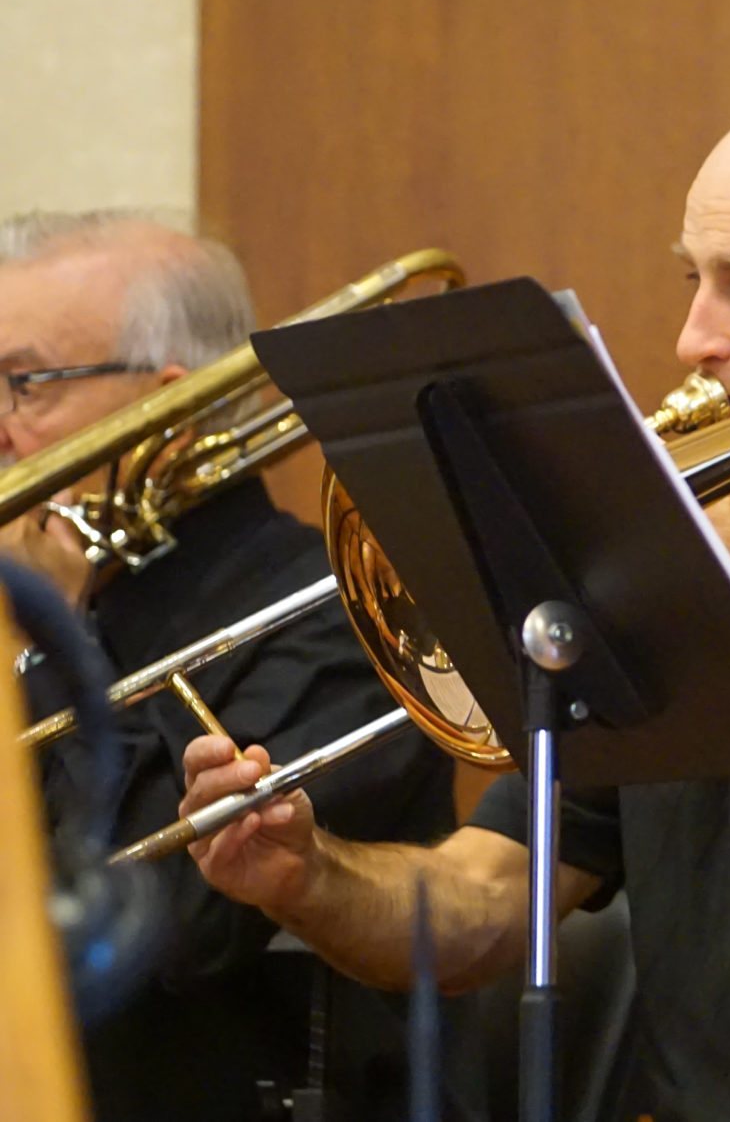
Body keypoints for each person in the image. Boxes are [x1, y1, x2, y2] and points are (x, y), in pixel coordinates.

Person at [178, 83, 730, 1122]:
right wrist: (305, 873)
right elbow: (492, 901)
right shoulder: (660, 583)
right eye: (693, 281)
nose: (692, 338)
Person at [0, 210, 457, 1122]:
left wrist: (54, 635)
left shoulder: (340, 615)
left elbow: (162, 928)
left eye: (21, 384)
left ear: (166, 411)